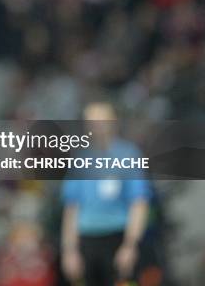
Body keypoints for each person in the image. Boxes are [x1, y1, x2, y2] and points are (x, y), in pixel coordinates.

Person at [61, 102, 151, 286]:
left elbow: (139, 203)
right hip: (87, 240)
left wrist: (130, 245)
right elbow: (72, 207)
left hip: (117, 236)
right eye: (91, 121)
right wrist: (69, 250)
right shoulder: (80, 158)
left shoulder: (128, 155)